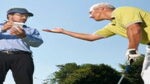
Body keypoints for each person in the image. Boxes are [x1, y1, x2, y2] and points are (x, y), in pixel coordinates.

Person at [43, 2, 150, 84]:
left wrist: (131, 50)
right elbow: (91, 37)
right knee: (147, 75)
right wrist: (63, 31)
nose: (90, 16)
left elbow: (134, 29)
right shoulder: (112, 26)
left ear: (102, 8)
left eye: (91, 12)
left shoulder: (122, 11)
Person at [0, 8, 43, 84]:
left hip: (23, 57)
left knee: (25, 81)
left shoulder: (31, 30)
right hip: (1, 55)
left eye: (26, 16)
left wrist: (24, 36)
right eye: (21, 15)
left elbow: (38, 43)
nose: (24, 18)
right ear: (10, 16)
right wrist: (2, 29)